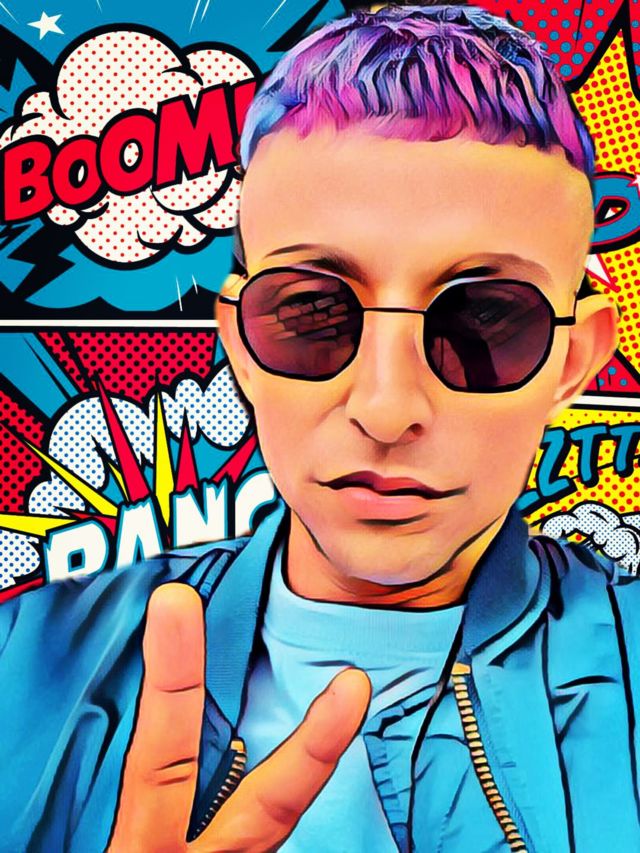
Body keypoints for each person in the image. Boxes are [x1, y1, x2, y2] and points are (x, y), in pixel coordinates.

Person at [0, 3, 637, 852]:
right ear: (238, 343)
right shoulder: (24, 666)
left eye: (483, 321)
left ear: (572, 363)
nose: (386, 408)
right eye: (313, 313)